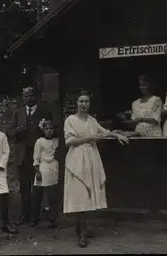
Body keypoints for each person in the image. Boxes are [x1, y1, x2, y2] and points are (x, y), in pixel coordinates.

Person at [63, 90, 129, 248]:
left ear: (89, 104)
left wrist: (117, 136)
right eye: (81, 101)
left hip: (91, 158)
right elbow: (69, 141)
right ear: (77, 103)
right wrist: (90, 138)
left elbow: (104, 132)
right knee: (79, 194)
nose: (83, 104)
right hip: (77, 158)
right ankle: (82, 232)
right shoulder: (70, 120)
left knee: (86, 196)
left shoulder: (92, 120)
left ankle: (82, 229)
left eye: (86, 101)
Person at [9, 87, 53, 226]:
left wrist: (43, 130)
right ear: (23, 98)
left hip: (39, 155)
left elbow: (51, 130)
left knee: (38, 186)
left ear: (36, 97)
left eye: (31, 95)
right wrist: (16, 132)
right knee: (25, 187)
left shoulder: (43, 112)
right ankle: (24, 215)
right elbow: (9, 131)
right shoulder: (18, 113)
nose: (29, 98)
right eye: (26, 96)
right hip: (23, 155)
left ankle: (35, 216)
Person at [30, 119, 59, 228]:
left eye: (51, 129)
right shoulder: (40, 141)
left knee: (52, 195)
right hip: (43, 168)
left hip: (53, 168)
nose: (49, 131)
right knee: (38, 194)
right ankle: (34, 217)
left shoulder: (57, 141)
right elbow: (36, 157)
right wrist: (37, 171)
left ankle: (52, 218)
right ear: (43, 130)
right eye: (47, 129)